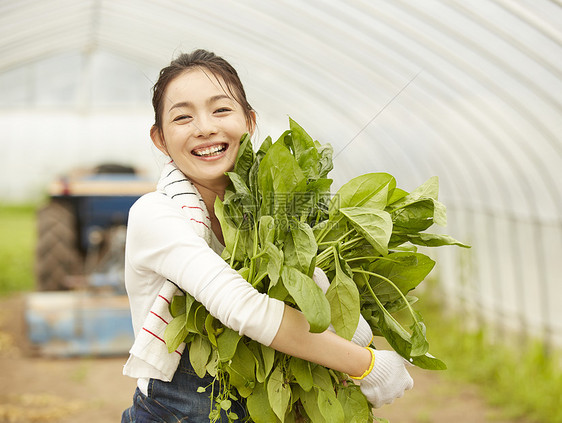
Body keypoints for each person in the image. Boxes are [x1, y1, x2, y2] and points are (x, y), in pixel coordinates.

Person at [121, 49, 413, 422]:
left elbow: (306, 280)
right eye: (182, 117)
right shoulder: (155, 214)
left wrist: (348, 324)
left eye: (221, 109)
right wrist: (366, 364)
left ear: (250, 121)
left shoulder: (273, 209)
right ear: (160, 138)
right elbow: (242, 306)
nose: (205, 127)